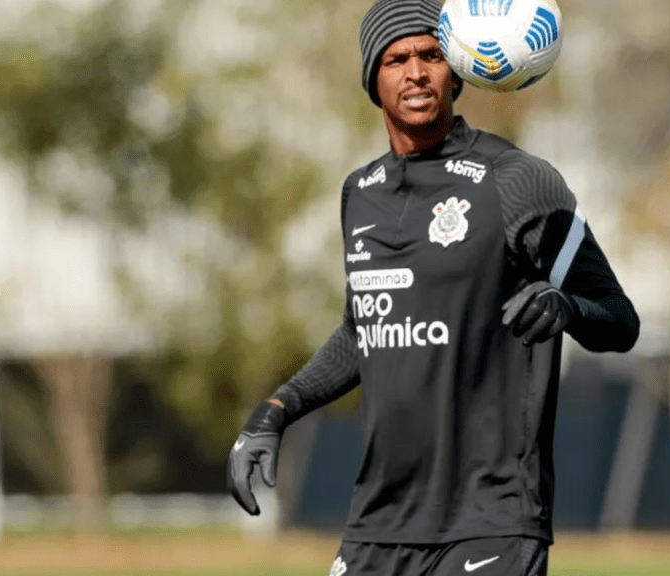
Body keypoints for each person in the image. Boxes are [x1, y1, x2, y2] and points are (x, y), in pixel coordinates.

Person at [228, 0, 640, 574]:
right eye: (397, 58)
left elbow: (620, 320)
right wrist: (276, 410)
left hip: (490, 520)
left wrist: (564, 306)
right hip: (378, 520)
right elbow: (363, 328)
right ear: (373, 77)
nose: (416, 72)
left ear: (460, 67)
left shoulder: (520, 180)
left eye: (431, 55)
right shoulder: (360, 191)